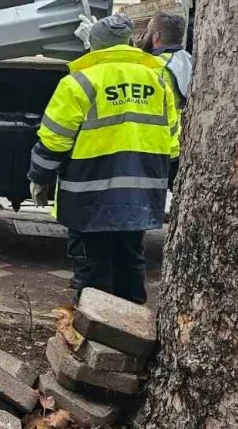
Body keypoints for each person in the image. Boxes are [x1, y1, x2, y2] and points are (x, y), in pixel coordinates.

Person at [27, 15, 180, 305]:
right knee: (131, 261)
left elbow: (54, 140)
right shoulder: (158, 80)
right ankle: (132, 333)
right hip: (140, 193)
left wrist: (39, 176)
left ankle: (94, 332)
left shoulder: (78, 82)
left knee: (91, 269)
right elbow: (172, 139)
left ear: (93, 46)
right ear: (129, 43)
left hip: (88, 195)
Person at [139, 11, 193, 110]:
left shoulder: (154, 65)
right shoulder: (189, 59)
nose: (145, 36)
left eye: (148, 31)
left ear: (156, 36)